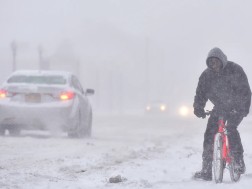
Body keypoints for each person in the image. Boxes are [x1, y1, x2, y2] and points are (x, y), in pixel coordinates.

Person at [193, 47, 251, 181]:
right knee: (209, 135)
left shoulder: (235, 70)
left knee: (231, 129)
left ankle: (237, 162)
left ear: (222, 60)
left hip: (236, 107)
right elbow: (200, 94)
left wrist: (242, 109)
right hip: (219, 108)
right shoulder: (206, 76)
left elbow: (245, 92)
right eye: (211, 62)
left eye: (216, 61)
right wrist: (198, 108)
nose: (214, 64)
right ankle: (206, 169)